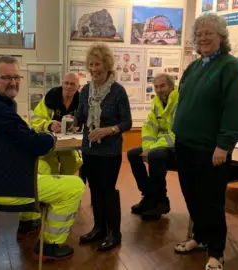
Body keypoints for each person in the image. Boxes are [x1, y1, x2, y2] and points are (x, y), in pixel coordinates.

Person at [0, 55, 85, 261]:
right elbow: (34, 144)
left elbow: (21, 136)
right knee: (74, 186)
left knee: (46, 168)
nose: (13, 82)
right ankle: (50, 244)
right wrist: (49, 136)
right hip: (7, 187)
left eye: (16, 77)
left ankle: (30, 222)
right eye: (6, 77)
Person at [172, 13, 238, 270]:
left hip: (210, 149)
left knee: (212, 201)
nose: (203, 38)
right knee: (192, 196)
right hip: (185, 145)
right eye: (199, 34)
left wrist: (224, 145)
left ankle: (216, 252)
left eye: (209, 33)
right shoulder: (195, 67)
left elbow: (235, 111)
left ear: (221, 37)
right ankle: (200, 238)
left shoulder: (231, 68)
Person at [75, 43, 132, 251]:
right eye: (90, 64)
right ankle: (99, 228)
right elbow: (80, 117)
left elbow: (127, 123)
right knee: (94, 189)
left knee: (107, 190)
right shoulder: (86, 90)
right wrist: (72, 119)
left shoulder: (118, 92)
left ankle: (114, 233)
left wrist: (108, 130)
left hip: (110, 151)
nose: (93, 68)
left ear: (107, 65)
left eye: (97, 64)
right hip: (89, 149)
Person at [127, 73, 178, 221]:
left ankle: (160, 201)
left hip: (177, 147)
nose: (159, 90)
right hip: (160, 145)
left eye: (163, 86)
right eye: (156, 86)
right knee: (132, 154)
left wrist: (152, 148)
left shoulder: (179, 101)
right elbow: (149, 127)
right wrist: (147, 147)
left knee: (155, 155)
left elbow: (176, 133)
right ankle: (149, 196)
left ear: (171, 86)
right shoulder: (156, 101)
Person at [30, 72, 82, 175]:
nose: (68, 86)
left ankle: (64, 187)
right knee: (49, 168)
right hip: (48, 142)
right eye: (66, 83)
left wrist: (77, 124)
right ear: (62, 84)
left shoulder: (80, 102)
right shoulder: (50, 98)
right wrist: (50, 125)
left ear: (78, 87)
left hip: (68, 144)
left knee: (73, 161)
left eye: (72, 84)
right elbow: (35, 121)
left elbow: (85, 123)